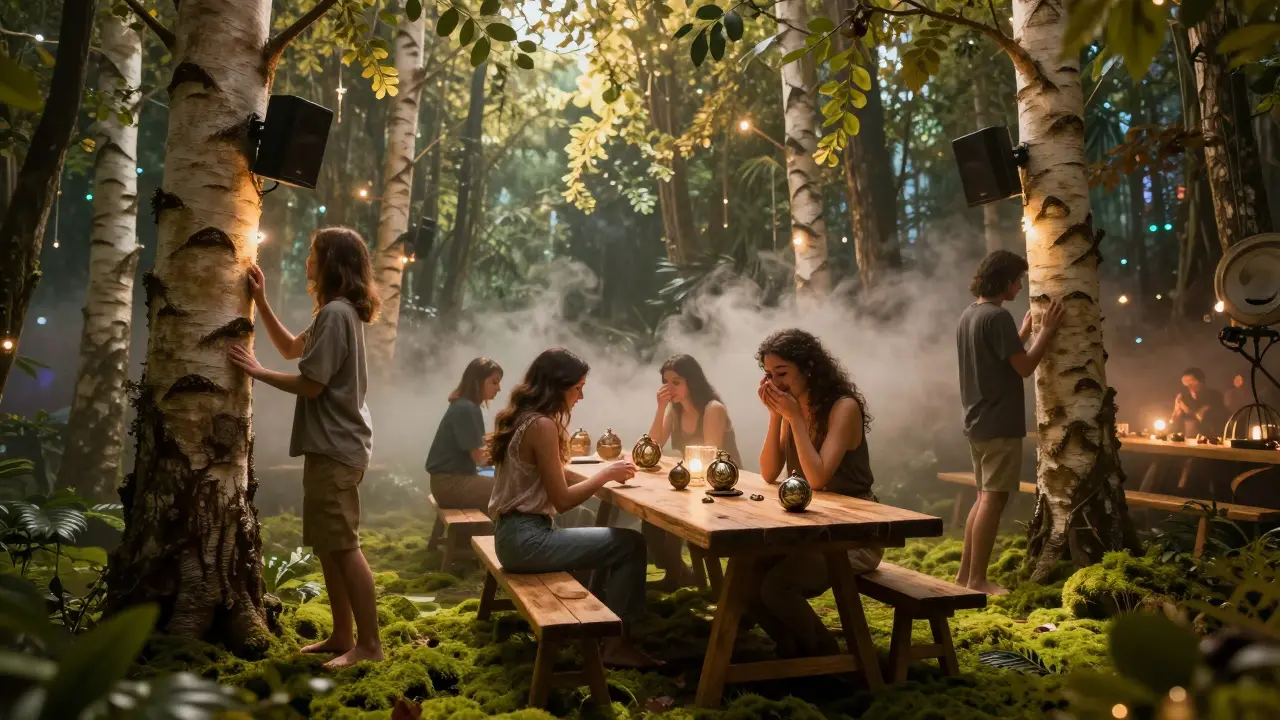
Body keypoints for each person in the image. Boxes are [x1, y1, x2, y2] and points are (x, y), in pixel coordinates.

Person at [228, 227, 383, 667]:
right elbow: (290, 349)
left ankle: (370, 646)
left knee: (345, 545)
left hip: (337, 447)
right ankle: (342, 634)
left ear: (331, 262)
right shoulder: (331, 314)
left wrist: (255, 373)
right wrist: (260, 301)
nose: (307, 262)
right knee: (329, 545)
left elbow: (312, 385)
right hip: (330, 446)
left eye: (313, 255)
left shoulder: (337, 314)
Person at [487, 348, 659, 668]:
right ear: (559, 385)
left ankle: (597, 631)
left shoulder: (524, 419)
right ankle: (616, 644)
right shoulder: (541, 425)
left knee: (602, 535)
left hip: (512, 535)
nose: (581, 396)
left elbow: (547, 477)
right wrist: (605, 475)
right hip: (526, 540)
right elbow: (562, 500)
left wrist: (599, 473)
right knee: (630, 544)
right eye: (578, 387)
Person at [748, 329, 882, 659]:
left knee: (777, 587)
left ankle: (827, 656)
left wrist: (792, 416)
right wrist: (774, 416)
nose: (776, 383)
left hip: (855, 533)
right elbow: (768, 472)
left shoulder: (842, 408)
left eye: (782, 373)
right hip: (811, 527)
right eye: (769, 375)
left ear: (808, 368)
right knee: (746, 578)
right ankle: (793, 649)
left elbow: (819, 478)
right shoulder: (791, 408)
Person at [954, 250, 1064, 596]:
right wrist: (1046, 331)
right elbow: (1024, 366)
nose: (1020, 286)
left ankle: (964, 575)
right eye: (1018, 279)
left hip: (977, 420)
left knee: (983, 497)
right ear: (1004, 280)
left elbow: (998, 356)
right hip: (998, 420)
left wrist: (1024, 330)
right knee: (993, 500)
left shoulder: (970, 314)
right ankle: (977, 580)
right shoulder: (996, 317)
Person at [642, 354, 741, 589]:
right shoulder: (674, 411)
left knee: (672, 510)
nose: (670, 388)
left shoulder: (712, 409)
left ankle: (705, 581)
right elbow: (651, 446)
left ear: (692, 381)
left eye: (676, 382)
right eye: (666, 382)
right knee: (650, 518)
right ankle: (678, 574)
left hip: (724, 484)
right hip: (691, 481)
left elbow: (710, 454)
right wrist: (661, 407)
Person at [426, 358, 503, 510]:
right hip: (451, 484)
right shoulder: (466, 408)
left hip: (449, 482)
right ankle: (518, 533)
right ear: (478, 382)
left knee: (508, 485)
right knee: (514, 490)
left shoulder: (466, 405)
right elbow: (479, 458)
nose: (499, 388)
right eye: (494, 382)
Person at [1171, 368, 1228, 438]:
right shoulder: (1184, 398)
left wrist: (1185, 408)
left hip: (1211, 438)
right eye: (1186, 384)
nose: (1189, 387)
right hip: (1188, 439)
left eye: (1191, 383)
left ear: (1202, 381)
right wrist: (1176, 411)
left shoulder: (1215, 396)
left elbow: (1204, 418)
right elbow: (1174, 420)